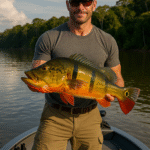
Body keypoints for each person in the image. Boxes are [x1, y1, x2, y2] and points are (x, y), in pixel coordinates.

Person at [31, 0, 124, 149]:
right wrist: (38, 86)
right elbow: (37, 75)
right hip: (55, 116)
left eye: (86, 2)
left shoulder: (107, 41)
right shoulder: (49, 38)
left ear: (94, 4)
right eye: (75, 2)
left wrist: (117, 92)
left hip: (91, 117)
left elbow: (117, 77)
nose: (80, 7)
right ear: (68, 4)